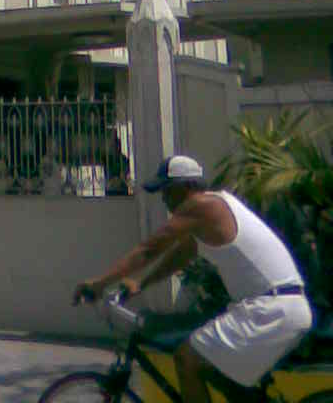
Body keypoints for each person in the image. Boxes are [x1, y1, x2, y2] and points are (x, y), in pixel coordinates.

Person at [74, 154, 313, 403]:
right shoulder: (216, 208)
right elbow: (181, 255)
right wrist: (140, 284)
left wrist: (98, 284)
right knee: (210, 366)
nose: (164, 198)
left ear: (188, 187)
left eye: (167, 190)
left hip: (270, 310)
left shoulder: (201, 206)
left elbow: (148, 250)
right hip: (279, 307)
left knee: (187, 358)